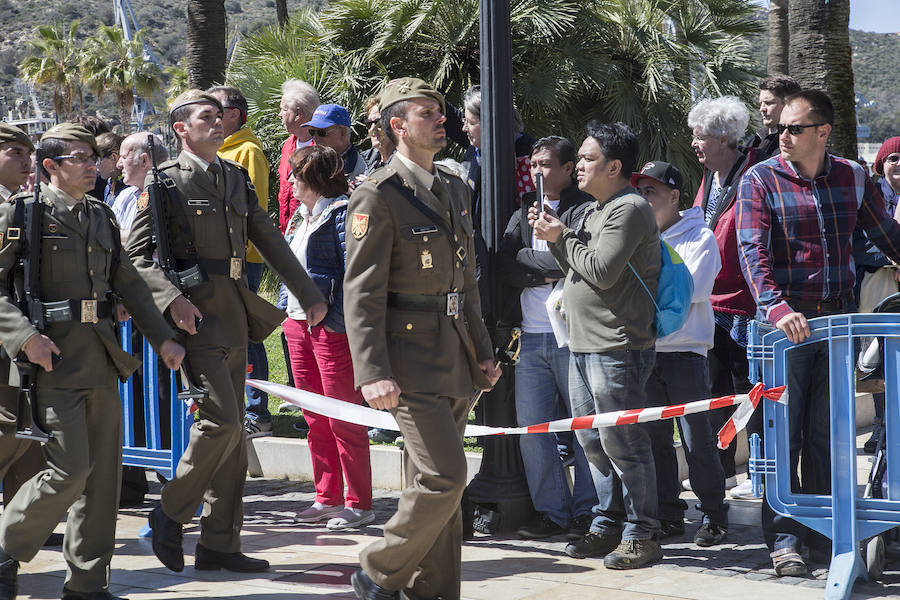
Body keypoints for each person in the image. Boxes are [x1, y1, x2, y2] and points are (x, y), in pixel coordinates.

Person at [126, 90, 328, 575]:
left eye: (220, 117)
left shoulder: (235, 177)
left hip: (236, 314)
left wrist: (310, 294)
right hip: (195, 316)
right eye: (206, 118)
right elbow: (134, 258)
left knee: (235, 442)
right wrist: (171, 300)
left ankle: (219, 542)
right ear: (181, 129)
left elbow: (269, 238)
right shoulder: (165, 183)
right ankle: (170, 511)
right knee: (222, 424)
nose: (217, 123)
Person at [0, 123, 185, 600]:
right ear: (51, 167)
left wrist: (163, 339)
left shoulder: (100, 215)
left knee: (103, 478)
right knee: (69, 469)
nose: (91, 164)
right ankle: (7, 544)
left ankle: (87, 582)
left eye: (90, 157)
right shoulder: (23, 215)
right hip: (51, 360)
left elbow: (131, 285)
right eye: (79, 158)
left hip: (100, 357)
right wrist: (25, 339)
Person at [343, 77, 500, 600]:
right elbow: (361, 293)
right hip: (406, 360)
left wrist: (482, 348)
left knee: (434, 490)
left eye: (441, 111)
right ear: (398, 125)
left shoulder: (453, 186)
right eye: (426, 112)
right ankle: (378, 567)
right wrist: (372, 371)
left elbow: (467, 281)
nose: (441, 119)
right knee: (445, 477)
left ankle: (433, 591)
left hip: (452, 351)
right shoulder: (378, 194)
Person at [736, 89, 900, 576]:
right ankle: (785, 540)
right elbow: (751, 251)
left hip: (839, 322)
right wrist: (776, 306)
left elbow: (886, 234)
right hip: (783, 328)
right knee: (781, 436)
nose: (781, 136)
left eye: (793, 128)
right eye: (778, 128)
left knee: (829, 435)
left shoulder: (852, 176)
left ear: (823, 133)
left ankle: (829, 533)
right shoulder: (759, 180)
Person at [531, 122, 663, 569]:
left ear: (615, 165)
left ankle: (642, 533)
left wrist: (559, 238)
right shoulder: (591, 209)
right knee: (591, 440)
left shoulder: (629, 209)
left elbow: (602, 270)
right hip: (582, 342)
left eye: (588, 159)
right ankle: (607, 524)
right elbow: (574, 266)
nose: (580, 166)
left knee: (622, 439)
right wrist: (558, 237)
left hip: (617, 344)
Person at [498, 135, 597, 541]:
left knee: (583, 427)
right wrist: (549, 266)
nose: (537, 171)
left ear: (567, 168)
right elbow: (507, 262)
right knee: (533, 429)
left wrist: (542, 264)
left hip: (571, 336)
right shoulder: (524, 209)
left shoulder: (584, 208)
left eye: (545, 164)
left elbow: (583, 261)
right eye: (534, 164)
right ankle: (551, 512)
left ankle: (590, 511)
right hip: (531, 337)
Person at [633, 161, 728, 547]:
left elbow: (695, 290)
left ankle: (714, 516)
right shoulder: (634, 235)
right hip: (646, 351)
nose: (643, 198)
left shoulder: (699, 236)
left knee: (697, 439)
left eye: (651, 191)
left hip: (687, 353)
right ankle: (669, 514)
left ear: (675, 196)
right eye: (640, 190)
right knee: (656, 438)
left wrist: (645, 293)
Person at [281, 145, 374, 530]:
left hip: (330, 333)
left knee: (343, 419)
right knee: (313, 416)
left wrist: (333, 322)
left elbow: (354, 279)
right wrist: (287, 311)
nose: (289, 183)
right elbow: (288, 268)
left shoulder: (342, 215)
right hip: (297, 327)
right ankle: (327, 497)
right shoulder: (298, 220)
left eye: (296, 177)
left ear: (315, 180)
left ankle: (359, 503)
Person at [687, 96, 756, 497]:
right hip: (709, 303)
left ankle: (762, 477)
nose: (695, 144)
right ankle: (721, 482)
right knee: (714, 400)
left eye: (701, 137)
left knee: (751, 396)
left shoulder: (751, 175)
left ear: (725, 138)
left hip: (744, 305)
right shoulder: (708, 177)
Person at [0, 124, 60, 532]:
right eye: (15, 152)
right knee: (10, 426)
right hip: (9, 335)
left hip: (25, 333)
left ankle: (20, 531)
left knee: (28, 431)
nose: (27, 160)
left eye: (29, 152)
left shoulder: (24, 204)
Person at [208, 85, 274, 438]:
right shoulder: (216, 151)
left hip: (242, 259)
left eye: (215, 110)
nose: (210, 118)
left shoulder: (248, 152)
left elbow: (255, 209)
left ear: (234, 113)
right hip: (216, 260)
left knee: (247, 333)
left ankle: (257, 412)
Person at [853, 137, 900, 453]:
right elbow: (859, 243)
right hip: (875, 294)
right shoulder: (867, 199)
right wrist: (894, 257)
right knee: (875, 363)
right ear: (881, 164)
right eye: (894, 158)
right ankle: (881, 430)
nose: (899, 164)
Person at [278, 79, 320, 233]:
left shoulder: (322, 150)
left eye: (283, 109)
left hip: (310, 233)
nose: (279, 114)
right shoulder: (288, 146)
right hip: (287, 235)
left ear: (298, 113)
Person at [113, 131, 167, 241]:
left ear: (144, 160)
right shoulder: (125, 196)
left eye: (124, 157)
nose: (118, 164)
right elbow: (106, 234)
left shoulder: (172, 194)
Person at [303, 103, 367, 181]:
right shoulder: (309, 165)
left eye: (321, 132)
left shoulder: (362, 170)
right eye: (312, 132)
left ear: (343, 132)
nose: (315, 138)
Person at [748, 74, 801, 160]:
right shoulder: (755, 140)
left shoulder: (796, 144)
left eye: (768, 103)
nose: (762, 109)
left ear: (789, 104)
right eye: (761, 104)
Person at [361, 94, 395, 175]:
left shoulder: (407, 160)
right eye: (369, 124)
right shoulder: (363, 160)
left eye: (378, 123)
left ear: (395, 124)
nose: (372, 129)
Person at [94, 131, 126, 206]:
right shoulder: (109, 184)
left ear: (113, 157)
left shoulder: (128, 186)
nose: (95, 166)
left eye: (98, 161)